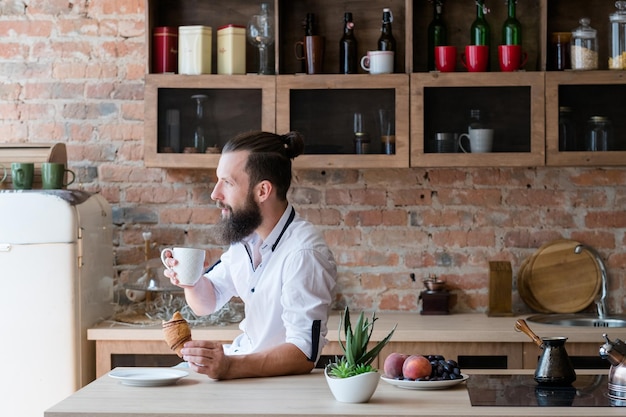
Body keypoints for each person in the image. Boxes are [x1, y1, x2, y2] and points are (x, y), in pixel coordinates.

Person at [164, 130, 337, 380]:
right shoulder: (246, 239)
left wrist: (229, 367)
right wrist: (190, 280)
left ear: (263, 191)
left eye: (228, 182)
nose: (215, 194)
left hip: (272, 386)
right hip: (241, 370)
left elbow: (304, 354)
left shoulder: (303, 253)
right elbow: (207, 302)